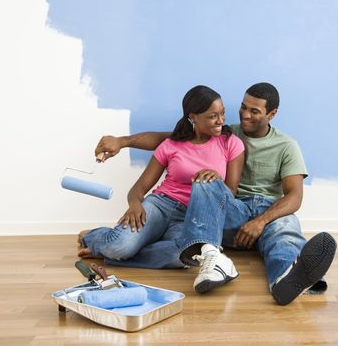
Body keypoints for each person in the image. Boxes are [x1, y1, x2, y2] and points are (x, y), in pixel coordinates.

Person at [95, 83, 336, 306]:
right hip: (223, 210)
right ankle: (211, 257)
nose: (244, 115)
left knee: (284, 231)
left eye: (255, 111)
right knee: (202, 188)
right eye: (243, 107)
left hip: (265, 210)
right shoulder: (224, 132)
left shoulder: (282, 145)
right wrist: (122, 141)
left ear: (271, 115)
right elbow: (168, 139)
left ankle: (285, 278)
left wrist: (260, 221)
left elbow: (294, 197)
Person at [78, 85, 245, 279]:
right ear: (193, 117)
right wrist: (135, 205)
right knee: (119, 246)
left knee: (186, 256)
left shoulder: (230, 143)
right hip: (161, 205)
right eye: (213, 116)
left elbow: (230, 192)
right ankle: (96, 238)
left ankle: (115, 254)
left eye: (222, 113)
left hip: (193, 216)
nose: (221, 120)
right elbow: (139, 188)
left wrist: (216, 181)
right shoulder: (171, 144)